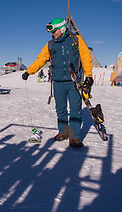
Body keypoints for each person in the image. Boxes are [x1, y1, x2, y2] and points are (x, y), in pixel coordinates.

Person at [22, 17, 93, 148]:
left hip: (74, 81)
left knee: (75, 109)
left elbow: (85, 57)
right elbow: (40, 59)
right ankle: (63, 132)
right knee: (60, 109)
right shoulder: (50, 44)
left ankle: (75, 137)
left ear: (62, 29)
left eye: (54, 31)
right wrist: (29, 71)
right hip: (58, 81)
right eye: (51, 32)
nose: (52, 34)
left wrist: (89, 76)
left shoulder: (75, 39)